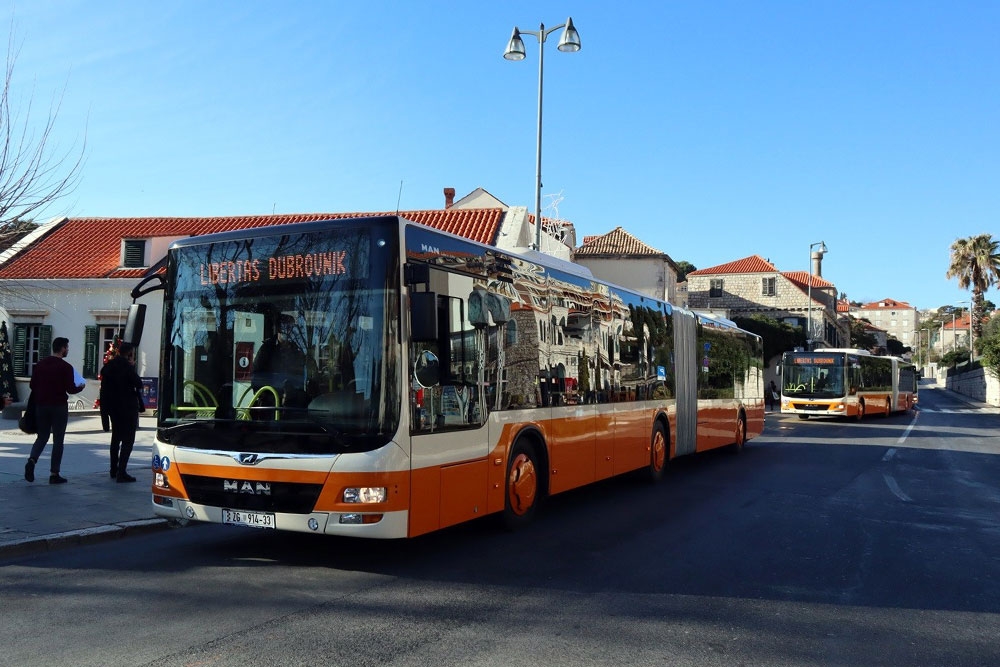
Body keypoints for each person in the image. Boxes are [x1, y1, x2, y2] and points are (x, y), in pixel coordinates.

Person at [24, 337, 86, 484]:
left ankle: (32, 460)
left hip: (41, 405)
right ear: (62, 348)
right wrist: (81, 387)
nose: (68, 350)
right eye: (67, 348)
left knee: (42, 436)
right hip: (59, 406)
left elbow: (32, 385)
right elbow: (71, 389)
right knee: (58, 440)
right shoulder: (66, 367)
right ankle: (54, 473)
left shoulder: (40, 365)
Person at [99, 342, 144, 483]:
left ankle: (113, 469)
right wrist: (131, 365)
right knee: (128, 440)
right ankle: (122, 471)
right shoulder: (127, 367)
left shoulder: (108, 367)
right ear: (130, 354)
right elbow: (139, 384)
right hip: (127, 407)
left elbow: (104, 388)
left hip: (112, 407)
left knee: (116, 438)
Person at [251, 313, 314, 413]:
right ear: (278, 329)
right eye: (284, 327)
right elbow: (256, 377)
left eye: (290, 328)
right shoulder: (266, 349)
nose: (287, 331)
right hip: (271, 405)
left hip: (293, 405)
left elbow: (301, 378)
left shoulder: (297, 350)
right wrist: (271, 397)